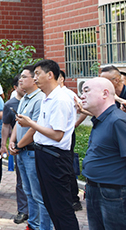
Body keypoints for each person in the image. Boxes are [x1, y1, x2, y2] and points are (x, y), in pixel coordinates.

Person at [16, 59, 79, 230]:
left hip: (55, 156)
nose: (35, 78)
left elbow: (57, 135)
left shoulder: (59, 99)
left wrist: (31, 124)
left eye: (37, 74)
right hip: (44, 154)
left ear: (50, 75)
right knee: (50, 203)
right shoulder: (47, 97)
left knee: (61, 207)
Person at [80, 77, 126, 229]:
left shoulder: (118, 120)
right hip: (95, 190)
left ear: (105, 93)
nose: (82, 96)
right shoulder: (101, 120)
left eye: (87, 91)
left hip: (116, 194)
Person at [11, 66, 52, 230]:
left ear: (34, 80)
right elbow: (17, 123)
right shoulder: (24, 98)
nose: (20, 80)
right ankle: (33, 225)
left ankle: (44, 226)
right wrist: (12, 142)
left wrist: (19, 145)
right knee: (28, 192)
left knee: (38, 194)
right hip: (21, 151)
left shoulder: (40, 99)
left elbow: (34, 128)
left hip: (32, 152)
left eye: (24, 77)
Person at [0, 75, 29, 225]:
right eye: (20, 83)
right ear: (15, 87)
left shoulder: (36, 100)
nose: (23, 86)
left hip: (35, 147)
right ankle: (23, 210)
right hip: (18, 147)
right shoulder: (10, 104)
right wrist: (4, 144)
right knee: (21, 180)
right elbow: (6, 126)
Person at [58, 70, 85, 212]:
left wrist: (75, 124)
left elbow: (83, 110)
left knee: (67, 165)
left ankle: (74, 199)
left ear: (61, 78)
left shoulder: (68, 94)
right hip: (56, 134)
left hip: (67, 134)